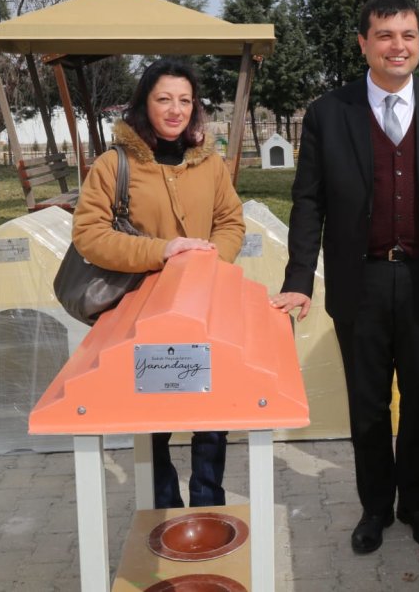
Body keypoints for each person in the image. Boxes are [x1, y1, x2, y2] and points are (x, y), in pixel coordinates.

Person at [270, 0, 419, 554]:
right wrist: (299, 279)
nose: (398, 46)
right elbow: (308, 202)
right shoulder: (330, 113)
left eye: (408, 35)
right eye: (385, 35)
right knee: (369, 404)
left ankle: (417, 505)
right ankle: (375, 508)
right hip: (362, 283)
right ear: (364, 44)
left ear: (418, 43)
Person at [72, 57, 246, 509]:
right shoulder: (114, 164)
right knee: (153, 416)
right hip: (141, 310)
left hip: (203, 305)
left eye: (185, 100)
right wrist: (161, 251)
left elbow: (230, 221)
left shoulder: (209, 163)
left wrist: (210, 260)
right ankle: (163, 509)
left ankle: (208, 504)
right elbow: (89, 234)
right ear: (144, 104)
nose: (175, 110)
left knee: (212, 413)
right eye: (164, 99)